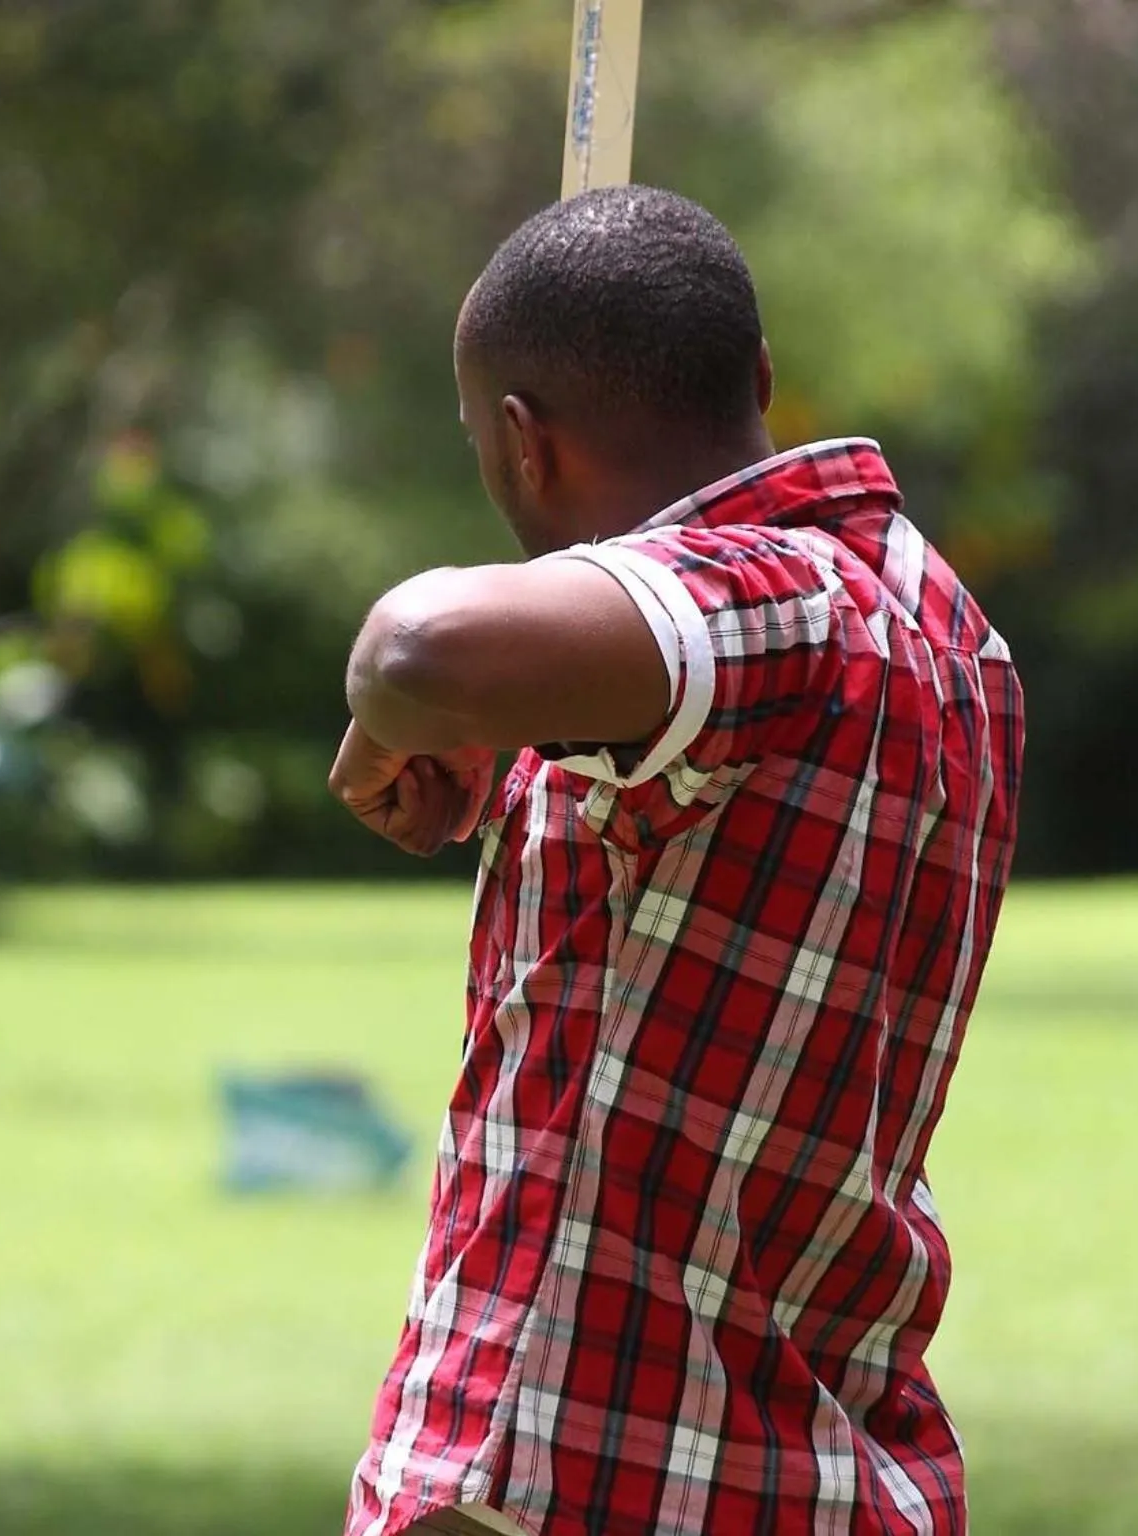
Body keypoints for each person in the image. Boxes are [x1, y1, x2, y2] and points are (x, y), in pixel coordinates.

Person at [328, 186, 1023, 1536]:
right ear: (757, 376)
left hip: (593, 1477)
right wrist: (537, 702)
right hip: (826, 1472)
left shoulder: (768, 603)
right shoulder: (951, 635)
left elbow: (420, 648)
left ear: (524, 448)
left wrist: (400, 716)